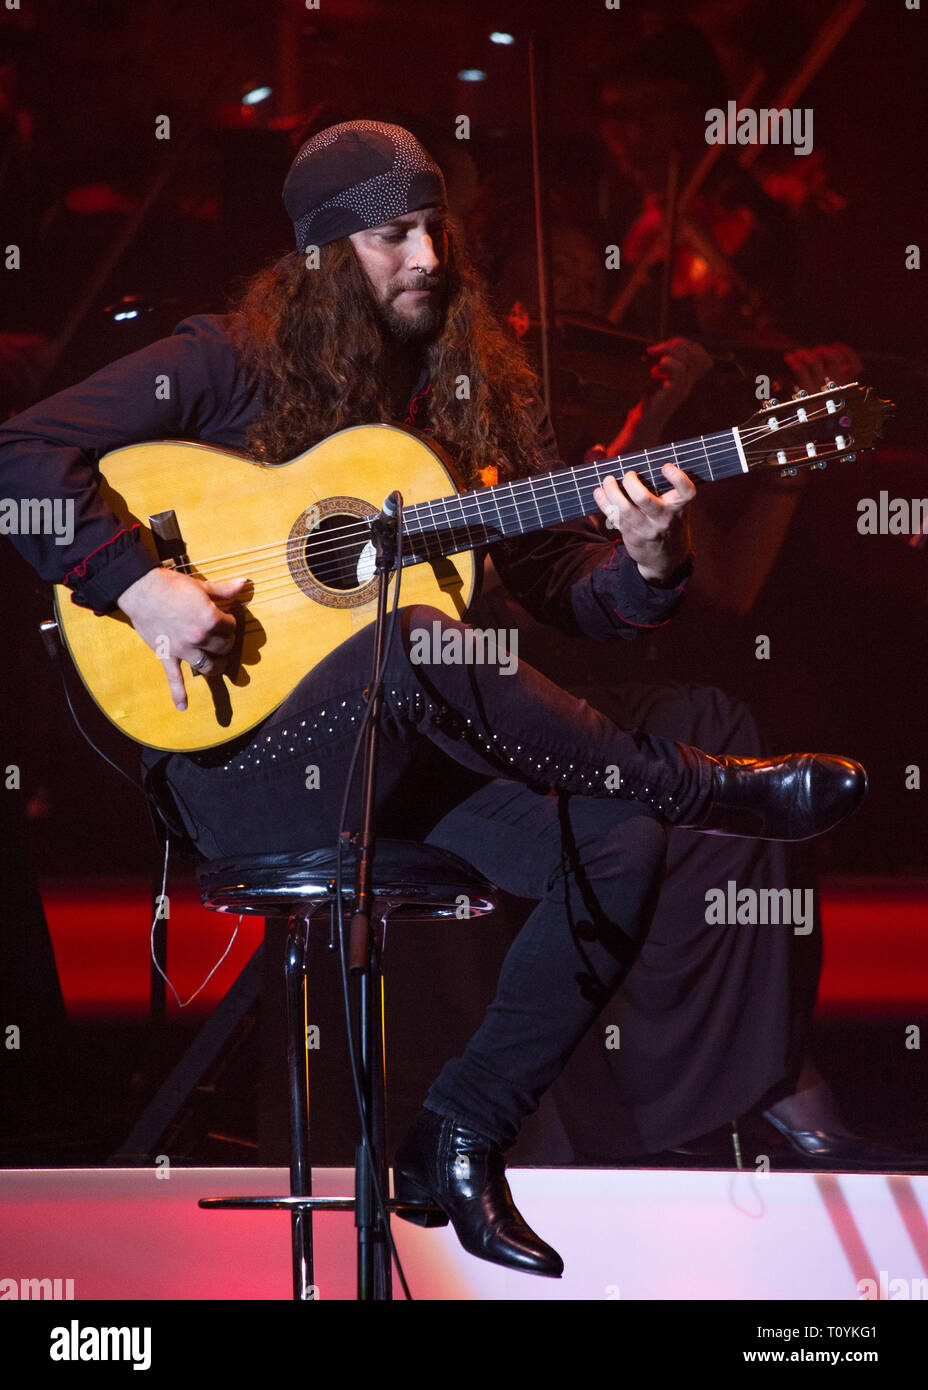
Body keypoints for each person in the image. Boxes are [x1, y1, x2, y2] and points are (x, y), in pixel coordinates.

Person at [0, 121, 866, 1278]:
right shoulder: (225, 360)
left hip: (398, 759)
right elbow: (17, 456)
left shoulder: (466, 394)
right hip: (241, 767)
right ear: (319, 255)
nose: (427, 256)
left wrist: (650, 564)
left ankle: (460, 1131)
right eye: (392, 234)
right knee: (420, 637)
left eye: (433, 228)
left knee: (616, 838)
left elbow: (570, 588)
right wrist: (141, 586)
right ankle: (704, 788)